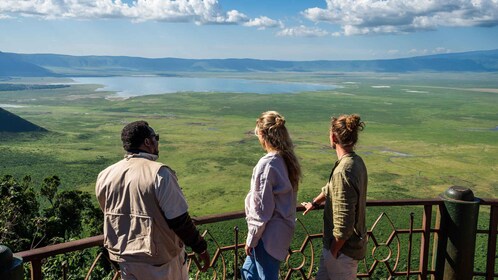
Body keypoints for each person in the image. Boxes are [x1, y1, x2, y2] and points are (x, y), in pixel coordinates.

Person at [95, 120, 210, 280]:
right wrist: (201, 248)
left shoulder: (105, 175)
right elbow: (179, 220)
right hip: (160, 263)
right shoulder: (160, 174)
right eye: (156, 137)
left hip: (125, 261)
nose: (157, 141)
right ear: (147, 142)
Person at [301, 114, 368, 280]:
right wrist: (314, 202)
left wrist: (333, 251)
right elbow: (332, 188)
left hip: (341, 253)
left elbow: (344, 224)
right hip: (343, 250)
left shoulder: (343, 171)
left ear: (333, 137)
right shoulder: (356, 162)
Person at [242, 111, 302, 280]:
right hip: (280, 233)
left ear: (262, 134)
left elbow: (261, 210)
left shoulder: (267, 165)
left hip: (267, 236)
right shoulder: (286, 159)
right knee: (248, 272)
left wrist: (251, 239)